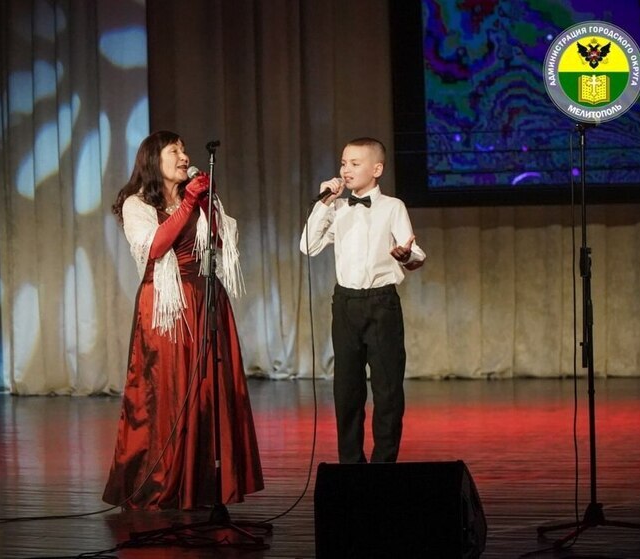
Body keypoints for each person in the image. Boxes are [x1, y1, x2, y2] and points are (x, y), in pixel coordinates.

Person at [103, 130, 263, 510]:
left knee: (210, 390)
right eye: (174, 151)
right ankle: (161, 480)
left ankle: (204, 483)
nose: (184, 156)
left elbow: (219, 243)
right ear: (152, 160)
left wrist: (205, 203)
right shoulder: (137, 204)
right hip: (168, 307)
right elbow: (156, 247)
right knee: (170, 391)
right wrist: (189, 202)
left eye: (184, 150)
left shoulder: (196, 197)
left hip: (206, 298)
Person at [300, 137, 426, 464]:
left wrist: (406, 255)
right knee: (347, 390)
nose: (346, 169)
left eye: (355, 164)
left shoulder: (393, 207)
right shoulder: (337, 209)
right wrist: (324, 204)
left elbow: (414, 253)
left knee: (387, 390)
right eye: (344, 163)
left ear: (377, 169)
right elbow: (308, 246)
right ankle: (351, 465)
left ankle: (383, 464)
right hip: (346, 304)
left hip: (382, 303)